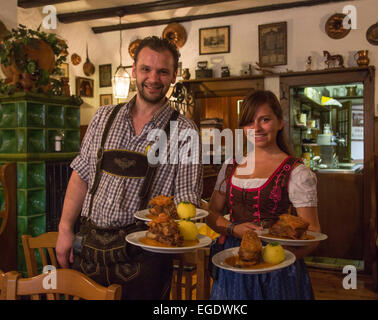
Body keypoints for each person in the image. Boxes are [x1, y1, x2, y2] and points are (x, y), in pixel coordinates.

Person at [56, 36, 202, 299]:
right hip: (89, 249)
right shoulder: (103, 117)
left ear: (173, 76)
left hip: (145, 256)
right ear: (134, 71)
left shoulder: (185, 130)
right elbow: (81, 176)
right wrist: (65, 229)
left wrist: (181, 234)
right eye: (146, 69)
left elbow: (186, 200)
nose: (153, 78)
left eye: (163, 72)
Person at [207, 90, 320, 300]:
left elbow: (313, 234)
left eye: (265, 120)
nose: (256, 128)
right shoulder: (230, 165)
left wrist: (276, 259)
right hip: (234, 261)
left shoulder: (296, 172)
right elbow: (211, 213)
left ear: (280, 122)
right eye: (249, 122)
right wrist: (233, 228)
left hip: (277, 269)